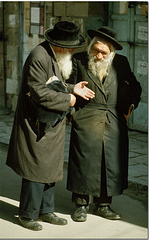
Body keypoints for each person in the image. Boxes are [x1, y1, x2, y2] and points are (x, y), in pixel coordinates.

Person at [6, 21, 95, 231]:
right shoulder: (39, 56)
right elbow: (38, 91)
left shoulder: (54, 55)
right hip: (35, 124)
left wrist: (73, 88)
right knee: (35, 169)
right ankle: (27, 214)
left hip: (50, 123)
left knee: (50, 168)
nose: (73, 51)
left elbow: (54, 82)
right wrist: (70, 100)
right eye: (71, 47)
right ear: (61, 46)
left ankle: (46, 210)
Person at [66, 26, 142, 222]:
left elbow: (135, 87)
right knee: (84, 162)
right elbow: (66, 85)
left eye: (103, 52)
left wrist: (127, 110)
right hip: (86, 118)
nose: (98, 56)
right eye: (95, 50)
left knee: (110, 164)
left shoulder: (122, 63)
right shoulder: (79, 60)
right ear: (91, 47)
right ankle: (81, 205)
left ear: (112, 52)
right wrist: (73, 105)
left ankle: (103, 205)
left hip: (113, 119)